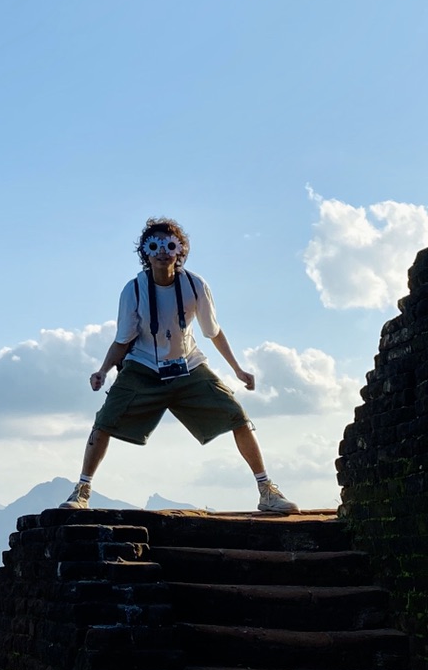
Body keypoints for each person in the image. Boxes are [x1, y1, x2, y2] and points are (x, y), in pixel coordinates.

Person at [66, 217, 298, 515]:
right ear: (146, 253)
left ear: (180, 251)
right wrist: (103, 370)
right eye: (155, 245)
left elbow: (212, 331)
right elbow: (122, 340)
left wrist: (238, 370)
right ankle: (83, 489)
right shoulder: (133, 290)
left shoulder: (195, 284)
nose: (163, 251)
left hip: (188, 366)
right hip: (143, 367)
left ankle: (267, 491)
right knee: (105, 420)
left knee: (237, 416)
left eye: (170, 245)